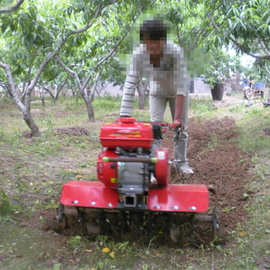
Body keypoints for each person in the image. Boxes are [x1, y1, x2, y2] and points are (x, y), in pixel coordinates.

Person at [119, 19, 193, 174]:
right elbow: (131, 81)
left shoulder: (175, 52)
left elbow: (181, 84)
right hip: (156, 92)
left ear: (163, 40)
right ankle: (153, 164)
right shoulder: (138, 55)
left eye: (156, 41)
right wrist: (124, 116)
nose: (152, 46)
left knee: (181, 129)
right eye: (148, 42)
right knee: (155, 129)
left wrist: (177, 118)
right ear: (144, 42)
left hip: (178, 93)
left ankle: (180, 163)